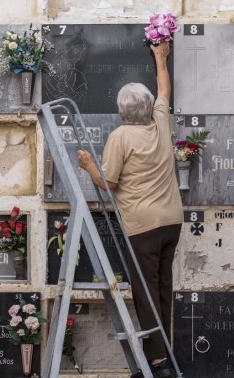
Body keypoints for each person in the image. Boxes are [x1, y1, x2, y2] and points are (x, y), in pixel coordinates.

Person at [78, 41, 182, 378]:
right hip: (172, 222)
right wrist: (160, 55)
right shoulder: (161, 123)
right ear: (150, 106)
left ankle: (158, 363)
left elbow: (107, 182)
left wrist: (87, 164)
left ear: (123, 112)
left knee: (145, 292)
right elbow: (164, 87)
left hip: (144, 227)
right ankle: (165, 352)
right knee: (163, 288)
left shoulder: (121, 136)